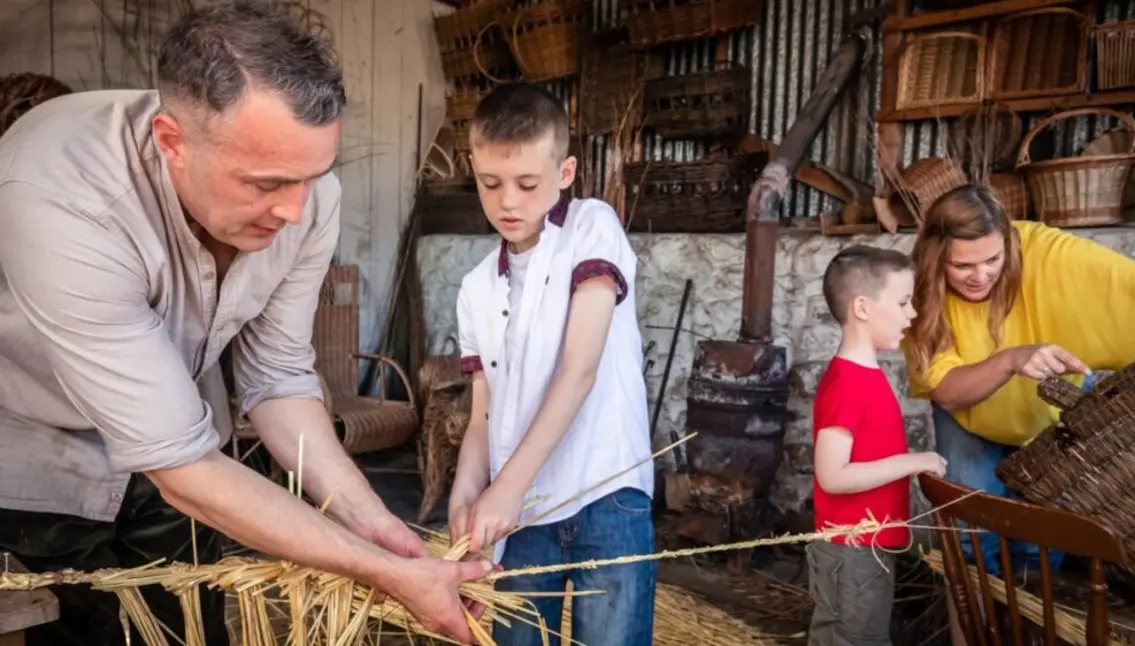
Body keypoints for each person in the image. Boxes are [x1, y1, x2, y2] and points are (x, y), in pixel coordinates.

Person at [0, 2, 489, 645]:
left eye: (312, 176)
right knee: (86, 630)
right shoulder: (59, 197)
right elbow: (182, 469)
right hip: (44, 456)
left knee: (195, 626)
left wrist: (375, 526)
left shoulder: (309, 203)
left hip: (189, 446)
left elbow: (278, 378)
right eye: (267, 183)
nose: (293, 211)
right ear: (172, 142)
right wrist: (379, 572)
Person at [446, 82, 656, 646]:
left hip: (605, 493)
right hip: (524, 517)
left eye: (526, 184)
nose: (507, 202)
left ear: (565, 172)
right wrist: (466, 496)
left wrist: (504, 489)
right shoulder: (474, 288)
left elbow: (579, 371)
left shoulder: (592, 226)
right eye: (490, 184)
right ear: (474, 169)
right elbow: (481, 419)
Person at [902, 183, 1135, 643]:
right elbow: (949, 391)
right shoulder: (918, 292)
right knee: (972, 545)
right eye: (962, 265)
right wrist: (1010, 360)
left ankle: (1029, 633)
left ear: (1009, 244)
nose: (980, 276)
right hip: (971, 421)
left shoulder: (1046, 251)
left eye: (992, 260)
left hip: (1048, 424)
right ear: (937, 258)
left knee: (1040, 551)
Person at [807, 245, 948, 646]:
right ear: (863, 308)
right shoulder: (848, 383)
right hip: (850, 549)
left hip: (866, 546)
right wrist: (911, 461)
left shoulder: (866, 374)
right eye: (903, 302)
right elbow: (832, 476)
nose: (913, 313)